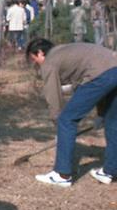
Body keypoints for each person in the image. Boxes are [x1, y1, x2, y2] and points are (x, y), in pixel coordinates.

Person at [26, 38, 117, 187]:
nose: (36, 63)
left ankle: (62, 174)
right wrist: (101, 114)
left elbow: (53, 96)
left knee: (66, 119)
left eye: (34, 59)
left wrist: (59, 124)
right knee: (113, 121)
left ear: (41, 53)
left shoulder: (49, 61)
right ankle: (110, 171)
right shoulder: (64, 51)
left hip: (102, 74)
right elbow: (100, 75)